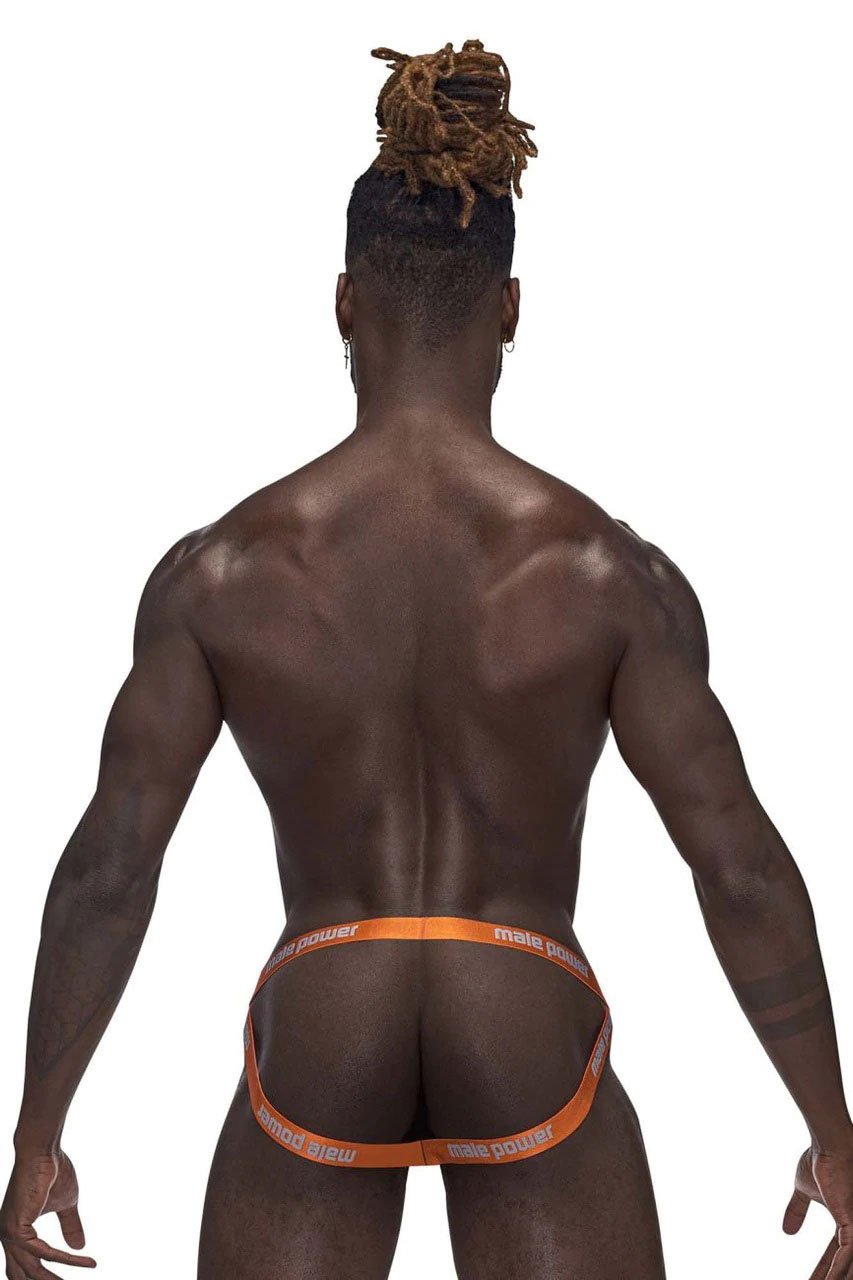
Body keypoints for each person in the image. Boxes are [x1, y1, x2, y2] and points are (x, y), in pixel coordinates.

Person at [2, 37, 851, 1280]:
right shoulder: (605, 572)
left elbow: (111, 863)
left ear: (345, 302)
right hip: (521, 995)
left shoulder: (221, 572)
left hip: (322, 1000)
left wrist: (37, 1132)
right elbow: (738, 862)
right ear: (509, 309)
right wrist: (832, 1130)